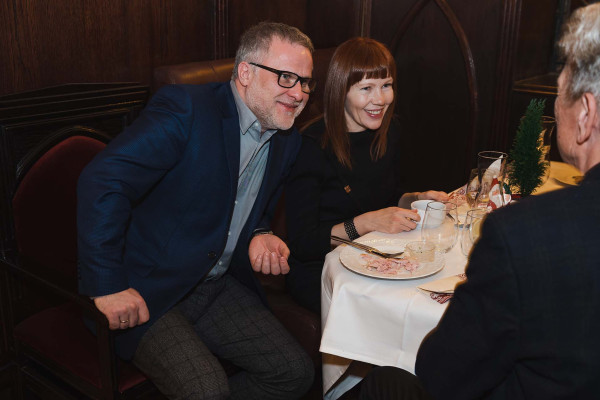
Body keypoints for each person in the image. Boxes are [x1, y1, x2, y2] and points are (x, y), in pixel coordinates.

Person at [359, 3, 600, 399]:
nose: (557, 108)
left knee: (384, 383)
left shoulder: (523, 235)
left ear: (586, 114)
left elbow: (442, 372)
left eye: (559, 93)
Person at [77, 22, 315, 400]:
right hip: (148, 288)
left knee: (294, 372)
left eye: (305, 82)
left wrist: (259, 232)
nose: (299, 93)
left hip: (213, 284)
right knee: (207, 391)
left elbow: (253, 204)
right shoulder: (187, 109)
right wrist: (108, 286)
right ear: (245, 72)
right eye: (286, 77)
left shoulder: (287, 139)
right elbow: (103, 181)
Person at [284, 37, 447, 314]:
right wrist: (366, 223)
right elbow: (303, 243)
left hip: (377, 254)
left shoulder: (390, 130)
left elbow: (386, 196)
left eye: (386, 85)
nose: (380, 100)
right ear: (341, 91)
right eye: (366, 88)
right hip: (321, 268)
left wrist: (416, 198)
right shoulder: (311, 146)